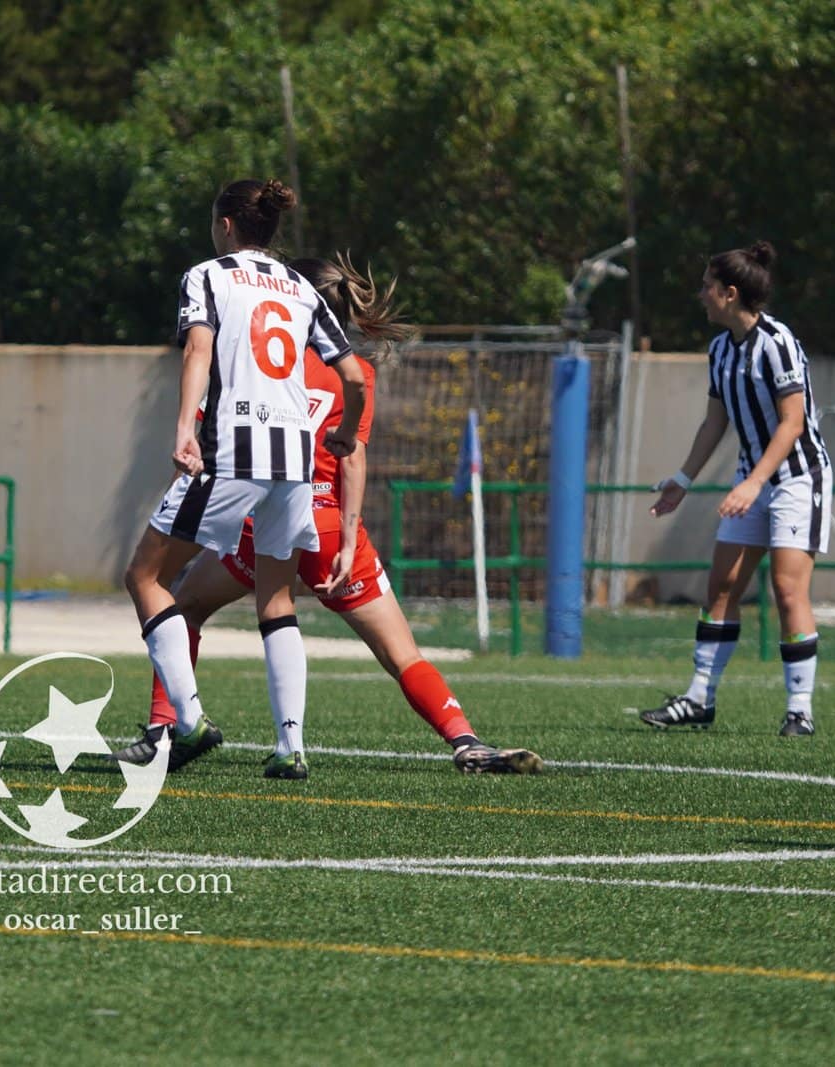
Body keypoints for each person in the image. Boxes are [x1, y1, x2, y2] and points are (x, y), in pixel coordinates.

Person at [113, 252, 543, 775]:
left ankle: (168, 729)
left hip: (265, 514)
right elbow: (352, 455)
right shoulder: (355, 370)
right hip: (328, 523)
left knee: (185, 607)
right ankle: (464, 740)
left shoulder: (259, 357)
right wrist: (348, 535)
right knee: (403, 654)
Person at [122, 179, 365, 781]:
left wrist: (184, 428)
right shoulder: (300, 287)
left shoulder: (208, 275)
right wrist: (348, 432)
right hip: (295, 465)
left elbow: (197, 353)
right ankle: (291, 749)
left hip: (232, 451)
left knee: (145, 576)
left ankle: (189, 721)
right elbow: (355, 375)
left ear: (226, 224)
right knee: (277, 600)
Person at [641, 240, 832, 736]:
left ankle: (800, 711)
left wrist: (752, 483)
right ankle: (699, 700)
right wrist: (683, 481)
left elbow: (792, 424)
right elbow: (714, 421)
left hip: (795, 478)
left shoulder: (779, 343)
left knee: (787, 590)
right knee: (721, 587)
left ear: (729, 293)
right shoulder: (721, 347)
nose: (699, 294)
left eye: (706, 286)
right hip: (754, 477)